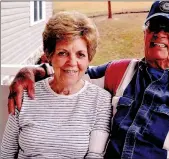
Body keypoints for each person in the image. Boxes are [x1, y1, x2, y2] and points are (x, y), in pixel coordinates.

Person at [6, 1, 169, 159]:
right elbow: (73, 71)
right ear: (145, 33)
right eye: (154, 27)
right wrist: (33, 71)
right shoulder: (122, 71)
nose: (160, 34)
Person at [1, 11, 112, 159]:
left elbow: (95, 155)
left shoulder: (101, 101)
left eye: (80, 54)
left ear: (89, 59)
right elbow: (6, 153)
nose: (72, 62)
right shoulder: (25, 93)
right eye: (63, 53)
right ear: (49, 55)